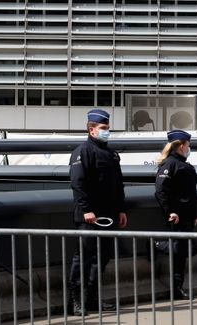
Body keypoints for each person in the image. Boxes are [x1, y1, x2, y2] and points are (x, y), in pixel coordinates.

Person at [69, 109, 127, 316]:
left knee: (102, 258)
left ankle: (92, 299)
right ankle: (76, 301)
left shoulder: (111, 153)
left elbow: (118, 183)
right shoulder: (82, 151)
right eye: (103, 128)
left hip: (108, 213)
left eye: (108, 128)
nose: (107, 131)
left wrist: (121, 209)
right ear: (91, 129)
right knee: (83, 257)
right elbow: (78, 183)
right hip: (89, 215)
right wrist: (86, 209)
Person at [154, 129, 197, 299]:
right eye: (188, 145)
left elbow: (191, 195)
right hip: (176, 217)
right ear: (180, 146)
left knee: (188, 250)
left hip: (187, 216)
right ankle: (177, 287)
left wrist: (193, 215)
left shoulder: (184, 165)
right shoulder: (170, 165)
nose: (189, 148)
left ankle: (178, 286)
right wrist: (170, 212)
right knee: (180, 253)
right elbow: (161, 191)